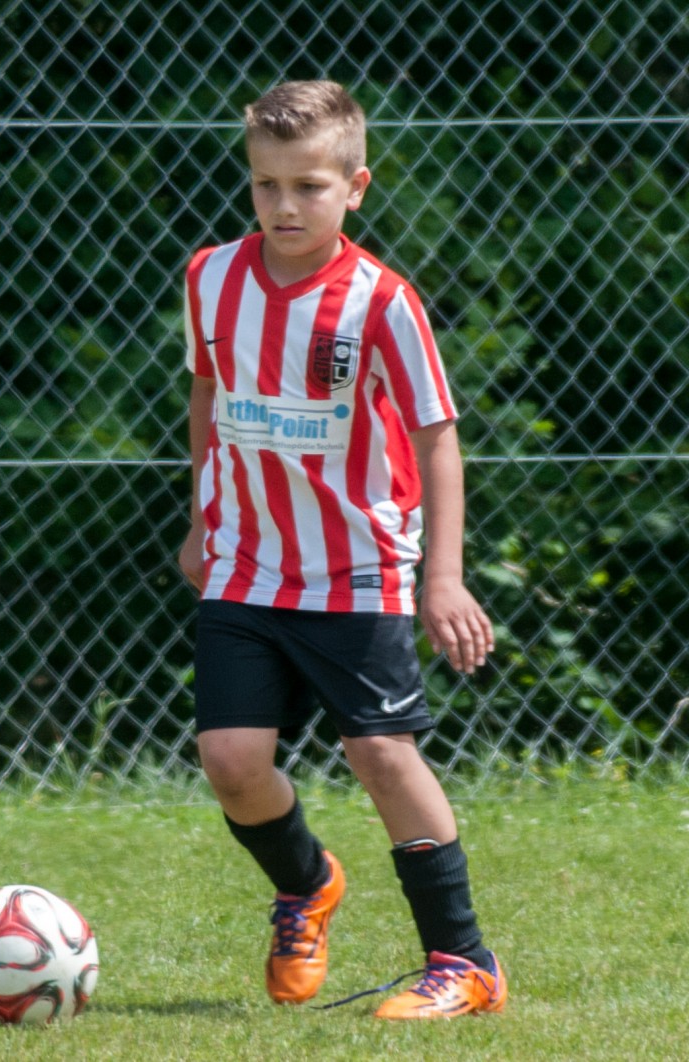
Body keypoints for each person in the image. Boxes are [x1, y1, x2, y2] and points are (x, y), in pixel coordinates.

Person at [177, 80, 506, 1020]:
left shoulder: (382, 301)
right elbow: (208, 395)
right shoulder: (211, 277)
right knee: (231, 760)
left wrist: (443, 577)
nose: (285, 205)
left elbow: (438, 438)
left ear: (355, 188)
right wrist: (201, 517)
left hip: (358, 567)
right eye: (266, 184)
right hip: (245, 560)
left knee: (381, 755)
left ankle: (466, 963)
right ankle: (308, 885)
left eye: (309, 186)